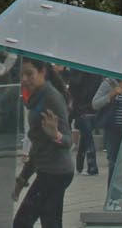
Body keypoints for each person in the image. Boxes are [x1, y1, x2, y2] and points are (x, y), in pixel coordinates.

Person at [13, 57, 72, 228]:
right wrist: (23, 178)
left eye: (29, 74)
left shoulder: (51, 97)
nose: (24, 79)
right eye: (21, 74)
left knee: (21, 223)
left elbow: (67, 141)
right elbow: (38, 145)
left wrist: (56, 135)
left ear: (43, 72)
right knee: (51, 222)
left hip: (55, 172)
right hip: (52, 170)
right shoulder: (37, 96)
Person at [93, 75, 122, 177]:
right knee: (114, 163)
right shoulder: (109, 82)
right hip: (113, 130)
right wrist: (111, 94)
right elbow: (95, 103)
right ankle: (113, 191)